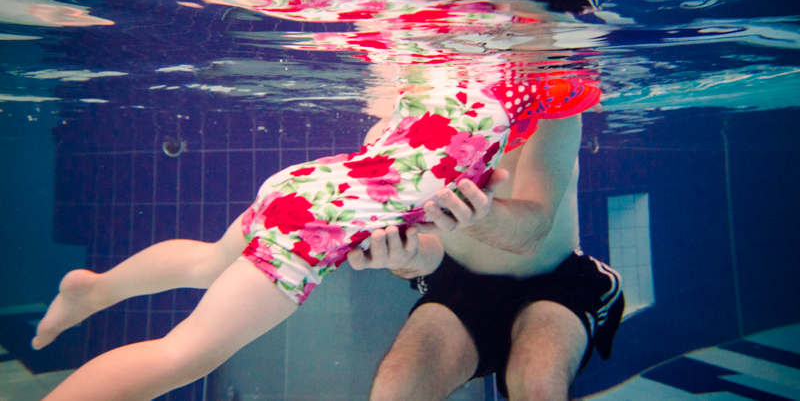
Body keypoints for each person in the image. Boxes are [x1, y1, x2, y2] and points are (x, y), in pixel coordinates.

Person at [32, 62, 600, 400]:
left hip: (308, 187)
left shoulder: (426, 96)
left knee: (208, 262)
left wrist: (400, 253)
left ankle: (98, 288)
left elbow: (428, 235)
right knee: (182, 354)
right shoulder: (483, 149)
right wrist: (411, 246)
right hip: (313, 229)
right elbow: (429, 229)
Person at [348, 102, 624, 401]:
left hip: (555, 278)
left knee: (537, 384)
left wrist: (475, 216)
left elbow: (533, 232)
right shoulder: (391, 131)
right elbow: (430, 253)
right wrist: (405, 257)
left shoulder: (552, 106)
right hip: (459, 282)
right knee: (395, 389)